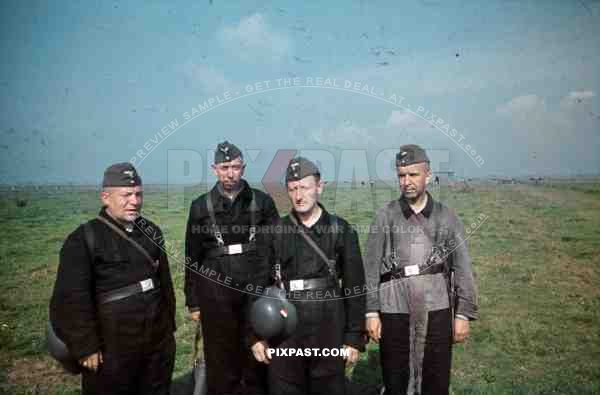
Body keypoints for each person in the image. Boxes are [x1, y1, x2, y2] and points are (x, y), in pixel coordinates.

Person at [49, 162, 177, 395]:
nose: (135, 201)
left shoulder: (152, 232)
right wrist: (86, 347)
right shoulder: (83, 239)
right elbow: (70, 299)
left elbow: (165, 285)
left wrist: (169, 331)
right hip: (112, 347)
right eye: (126, 194)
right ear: (106, 197)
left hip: (156, 342)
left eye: (138, 194)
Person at [363, 144, 479, 395]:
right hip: (394, 306)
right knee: (396, 378)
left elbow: (462, 266)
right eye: (401, 175)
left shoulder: (446, 217)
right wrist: (371, 311)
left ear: (428, 174)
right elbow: (370, 267)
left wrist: (463, 314)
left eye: (413, 174)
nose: (407, 182)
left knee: (435, 380)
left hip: (436, 305)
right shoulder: (385, 216)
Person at [251, 157, 366, 395]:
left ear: (319, 187)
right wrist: (254, 336)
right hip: (284, 330)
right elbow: (257, 287)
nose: (298, 195)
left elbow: (355, 286)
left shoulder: (341, 230)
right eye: (292, 189)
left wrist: (353, 337)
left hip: (329, 328)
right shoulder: (274, 232)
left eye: (304, 187)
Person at [184, 141, 279, 395]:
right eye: (224, 167)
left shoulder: (262, 202)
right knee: (220, 359)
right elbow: (192, 256)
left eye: (235, 167)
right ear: (215, 168)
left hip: (254, 289)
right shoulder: (200, 206)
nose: (230, 173)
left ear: (243, 168)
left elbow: (275, 249)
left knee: (256, 355)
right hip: (215, 293)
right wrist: (193, 302)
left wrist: (273, 288)